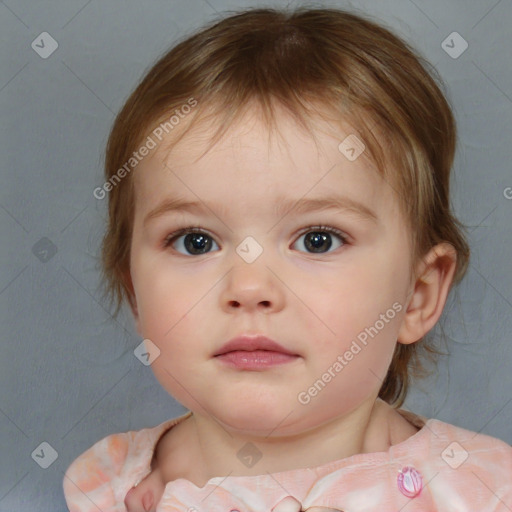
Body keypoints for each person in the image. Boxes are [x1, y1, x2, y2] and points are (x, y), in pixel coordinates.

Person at [62, 7, 512, 512]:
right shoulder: (108, 486)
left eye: (318, 240)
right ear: (135, 291)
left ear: (417, 295)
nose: (249, 287)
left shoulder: (480, 490)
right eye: (195, 241)